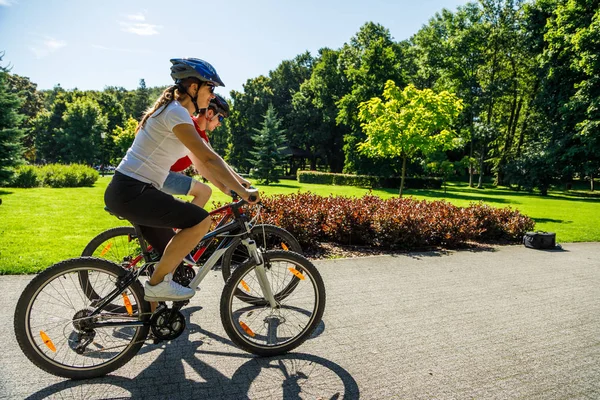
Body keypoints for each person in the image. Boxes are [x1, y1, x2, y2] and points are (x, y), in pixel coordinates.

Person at [104, 58, 259, 302]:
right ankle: (157, 285)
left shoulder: (177, 115)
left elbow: (204, 164)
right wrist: (241, 189)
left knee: (170, 257)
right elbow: (209, 159)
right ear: (194, 88)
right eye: (210, 89)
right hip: (133, 192)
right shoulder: (176, 113)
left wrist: (237, 185)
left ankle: (153, 319)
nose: (212, 96)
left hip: (132, 191)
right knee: (200, 222)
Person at [162, 94, 249, 208]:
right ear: (210, 113)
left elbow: (212, 163)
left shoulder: (201, 135)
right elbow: (209, 163)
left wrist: (228, 187)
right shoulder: (191, 127)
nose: (220, 123)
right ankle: (192, 226)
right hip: (159, 174)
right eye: (221, 118)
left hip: (164, 174)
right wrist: (240, 185)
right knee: (204, 192)